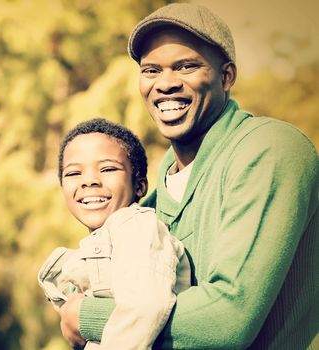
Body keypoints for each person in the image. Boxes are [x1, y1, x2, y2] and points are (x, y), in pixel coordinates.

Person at [58, 3, 319, 349]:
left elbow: (228, 318)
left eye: (186, 66)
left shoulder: (270, 149)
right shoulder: (146, 203)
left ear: (226, 76)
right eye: (151, 70)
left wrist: (88, 317)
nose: (165, 83)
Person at [38, 118, 191, 349]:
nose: (89, 181)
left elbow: (144, 308)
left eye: (108, 169)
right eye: (73, 173)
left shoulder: (136, 227)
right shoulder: (100, 245)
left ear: (139, 185)